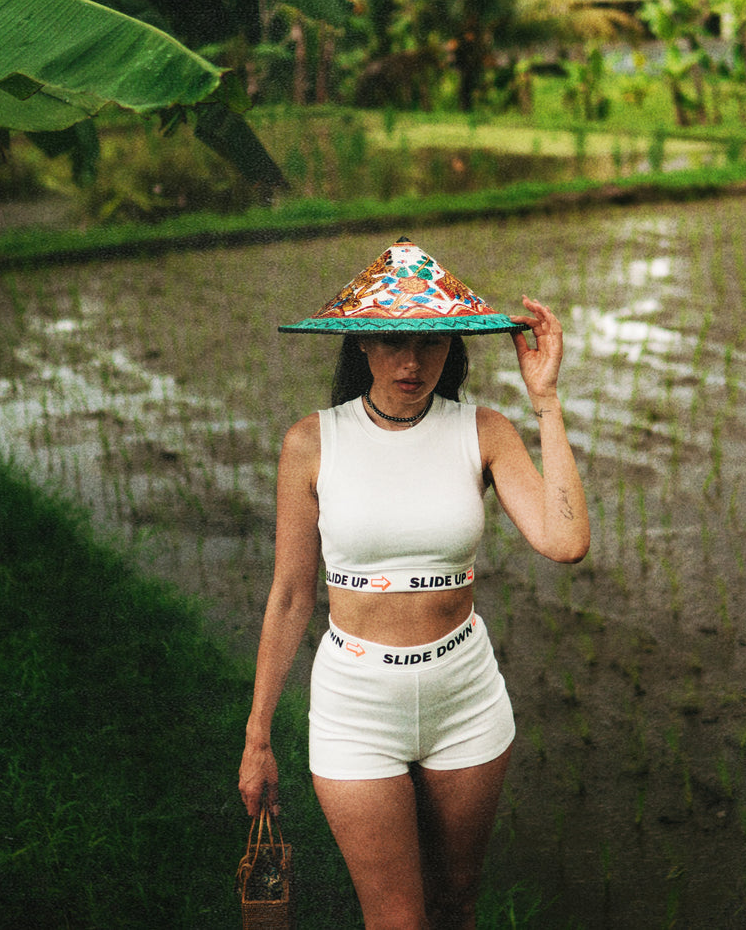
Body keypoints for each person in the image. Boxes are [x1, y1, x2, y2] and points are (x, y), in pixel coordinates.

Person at [238, 238, 589, 929]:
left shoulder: (483, 431)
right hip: (356, 704)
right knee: (397, 920)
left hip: (465, 695)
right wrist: (257, 736)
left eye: (430, 340)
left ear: (451, 346)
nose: (411, 361)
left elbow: (565, 540)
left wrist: (545, 401)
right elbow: (291, 595)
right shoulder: (311, 443)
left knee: (456, 903)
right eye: (393, 340)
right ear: (361, 343)